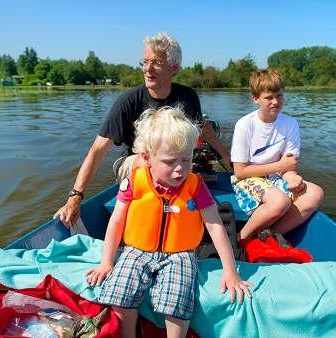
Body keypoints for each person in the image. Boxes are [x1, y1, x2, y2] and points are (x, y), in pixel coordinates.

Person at [86, 106, 253, 338]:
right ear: (147, 158)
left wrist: (230, 271)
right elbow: (116, 222)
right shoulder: (135, 180)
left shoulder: (195, 185)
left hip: (180, 254)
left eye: (186, 159)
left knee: (177, 304)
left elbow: (215, 226)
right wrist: (107, 261)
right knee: (120, 295)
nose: (180, 170)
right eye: (169, 161)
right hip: (137, 250)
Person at [54, 32, 231, 228]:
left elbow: (202, 126)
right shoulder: (128, 101)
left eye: (156, 62)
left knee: (183, 161)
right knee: (150, 161)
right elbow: (97, 150)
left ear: (174, 68)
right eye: (145, 62)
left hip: (167, 164)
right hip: (133, 162)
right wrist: (75, 196)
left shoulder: (187, 96)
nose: (148, 69)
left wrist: (226, 156)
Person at [230, 69, 324, 241]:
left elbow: (288, 168)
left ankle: (270, 235)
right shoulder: (245, 125)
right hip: (247, 178)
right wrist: (280, 167)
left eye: (279, 96)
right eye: (269, 97)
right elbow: (240, 171)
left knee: (315, 193)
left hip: (275, 178)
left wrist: (293, 180)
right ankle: (240, 238)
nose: (275, 102)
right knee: (280, 201)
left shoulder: (290, 124)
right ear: (255, 99)